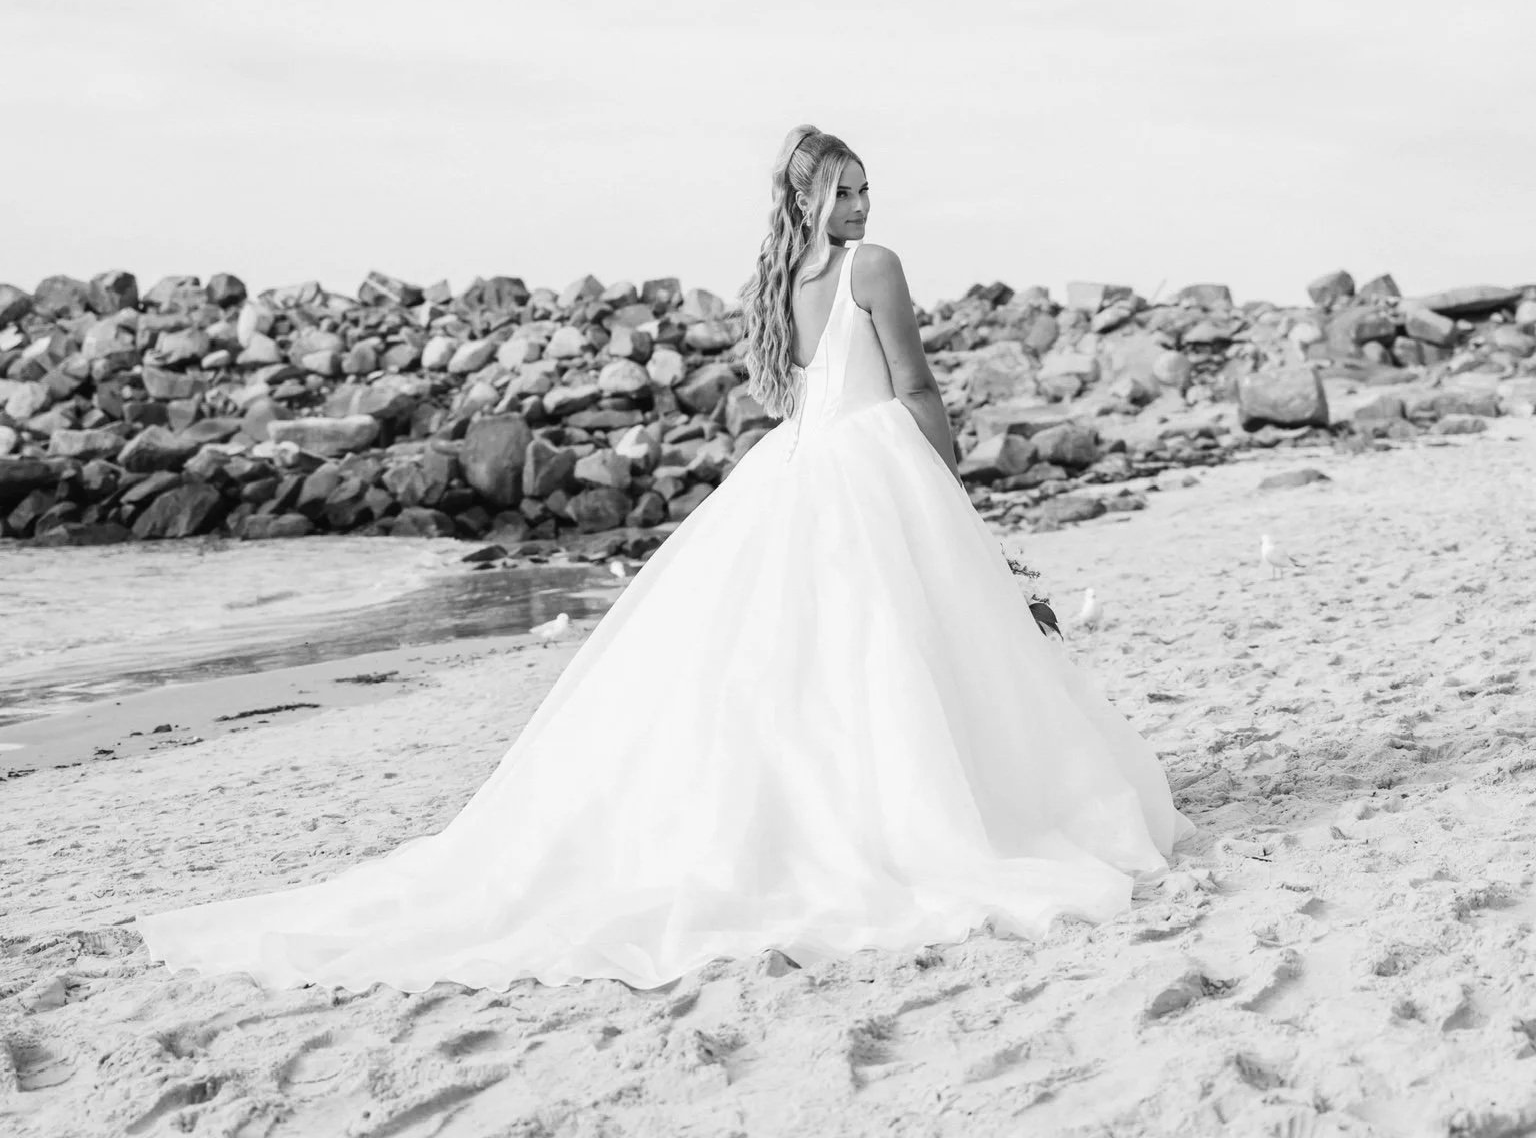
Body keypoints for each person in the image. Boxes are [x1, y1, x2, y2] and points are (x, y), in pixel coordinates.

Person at [135, 125, 1195, 994]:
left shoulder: (776, 283)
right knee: (900, 653)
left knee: (816, 670)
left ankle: (838, 819)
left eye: (867, 189)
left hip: (798, 469)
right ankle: (918, 820)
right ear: (812, 200)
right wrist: (946, 480)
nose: (864, 207)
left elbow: (793, 396)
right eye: (845, 191)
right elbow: (917, 390)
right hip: (872, 465)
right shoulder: (875, 269)